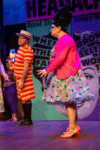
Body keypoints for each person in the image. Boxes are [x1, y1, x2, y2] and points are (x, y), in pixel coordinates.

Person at [37, 4, 95, 138]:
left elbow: (60, 58)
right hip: (64, 74)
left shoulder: (65, 40)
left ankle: (73, 128)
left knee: (69, 102)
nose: (50, 30)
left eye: (52, 27)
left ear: (58, 28)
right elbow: (55, 57)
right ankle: (73, 125)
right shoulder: (61, 40)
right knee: (69, 102)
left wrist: (47, 70)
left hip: (68, 74)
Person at [14, 30, 35, 126]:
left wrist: (22, 80)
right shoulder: (21, 49)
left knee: (27, 98)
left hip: (25, 78)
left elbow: (26, 67)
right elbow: (19, 63)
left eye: (22, 38)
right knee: (23, 98)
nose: (19, 40)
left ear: (27, 40)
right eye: (19, 37)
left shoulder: (28, 50)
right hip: (18, 78)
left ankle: (28, 119)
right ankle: (24, 118)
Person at [3, 56, 17, 122]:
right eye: (8, 64)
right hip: (7, 87)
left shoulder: (14, 71)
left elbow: (15, 79)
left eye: (10, 64)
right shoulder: (7, 71)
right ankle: (13, 116)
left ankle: (14, 117)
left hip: (11, 86)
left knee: (11, 102)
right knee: (10, 102)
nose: (9, 65)